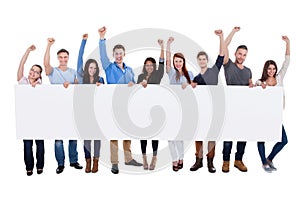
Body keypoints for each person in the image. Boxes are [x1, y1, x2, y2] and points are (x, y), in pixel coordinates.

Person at [98, 26, 142, 174]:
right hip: (113, 104)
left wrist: (133, 84)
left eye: (120, 54)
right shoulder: (109, 67)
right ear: (113, 55)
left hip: (127, 105)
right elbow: (102, 55)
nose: (118, 56)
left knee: (127, 132)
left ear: (124, 54)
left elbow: (134, 87)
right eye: (116, 54)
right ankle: (115, 162)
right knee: (114, 133)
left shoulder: (129, 70)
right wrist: (102, 38)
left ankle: (128, 158)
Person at [44, 37, 83, 174]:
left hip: (71, 108)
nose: (63, 59)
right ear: (58, 58)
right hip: (57, 109)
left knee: (73, 137)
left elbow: (79, 87)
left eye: (65, 57)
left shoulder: (73, 72)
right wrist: (49, 45)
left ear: (68, 58)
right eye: (60, 57)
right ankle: (61, 164)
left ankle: (73, 161)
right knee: (59, 139)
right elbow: (46, 64)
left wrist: (71, 85)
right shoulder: (53, 71)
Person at [189, 29, 225, 173]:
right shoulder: (196, 78)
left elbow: (221, 55)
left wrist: (221, 37)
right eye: (200, 59)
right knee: (198, 135)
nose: (202, 61)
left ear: (206, 61)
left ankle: (210, 162)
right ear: (198, 62)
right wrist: (191, 85)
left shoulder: (213, 71)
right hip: (200, 110)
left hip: (213, 109)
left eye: (204, 59)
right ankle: (199, 161)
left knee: (211, 137)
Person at [255, 36, 290, 173]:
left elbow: (287, 62)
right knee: (261, 138)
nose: (272, 71)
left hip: (276, 115)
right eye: (269, 69)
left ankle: (269, 158)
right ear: (266, 69)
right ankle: (263, 162)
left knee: (284, 140)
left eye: (273, 69)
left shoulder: (279, 78)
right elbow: (255, 87)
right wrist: (259, 85)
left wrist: (288, 43)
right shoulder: (260, 82)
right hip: (263, 115)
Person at [221, 27, 253, 173]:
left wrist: (252, 85)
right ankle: (226, 161)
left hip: (244, 108)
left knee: (242, 136)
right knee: (228, 136)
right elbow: (223, 47)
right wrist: (232, 32)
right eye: (239, 53)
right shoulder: (228, 66)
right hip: (230, 106)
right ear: (235, 53)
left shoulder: (248, 71)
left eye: (244, 55)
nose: (241, 56)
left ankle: (238, 160)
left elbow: (250, 85)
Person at [77, 33, 105, 173]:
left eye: (94, 68)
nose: (92, 70)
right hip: (85, 113)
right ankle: (87, 161)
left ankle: (96, 161)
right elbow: (79, 60)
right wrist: (84, 41)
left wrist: (101, 88)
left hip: (98, 113)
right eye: (90, 68)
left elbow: (106, 97)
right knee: (87, 139)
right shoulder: (82, 79)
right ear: (87, 68)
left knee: (97, 138)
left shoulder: (101, 80)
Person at [166, 36, 194, 172]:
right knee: (170, 136)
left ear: (183, 62)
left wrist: (188, 84)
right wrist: (168, 45)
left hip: (183, 109)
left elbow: (194, 88)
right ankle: (174, 159)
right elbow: (166, 61)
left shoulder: (189, 74)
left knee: (180, 136)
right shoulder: (171, 73)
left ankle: (181, 157)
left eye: (180, 61)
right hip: (171, 107)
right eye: (176, 61)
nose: (178, 63)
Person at [137, 39, 165, 170]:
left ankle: (154, 158)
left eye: (151, 65)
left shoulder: (158, 75)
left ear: (154, 67)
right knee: (143, 134)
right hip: (143, 109)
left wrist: (162, 47)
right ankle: (144, 158)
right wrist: (139, 84)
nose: (149, 67)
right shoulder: (140, 76)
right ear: (144, 66)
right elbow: (135, 92)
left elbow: (162, 63)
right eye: (147, 65)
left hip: (155, 109)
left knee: (154, 134)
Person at [17, 44, 44, 176]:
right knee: (27, 145)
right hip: (26, 119)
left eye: (36, 71)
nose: (33, 72)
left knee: (40, 144)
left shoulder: (40, 85)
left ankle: (40, 166)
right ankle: (29, 167)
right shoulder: (23, 82)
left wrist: (36, 84)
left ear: (39, 75)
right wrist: (27, 51)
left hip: (38, 119)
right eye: (32, 70)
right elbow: (21, 65)